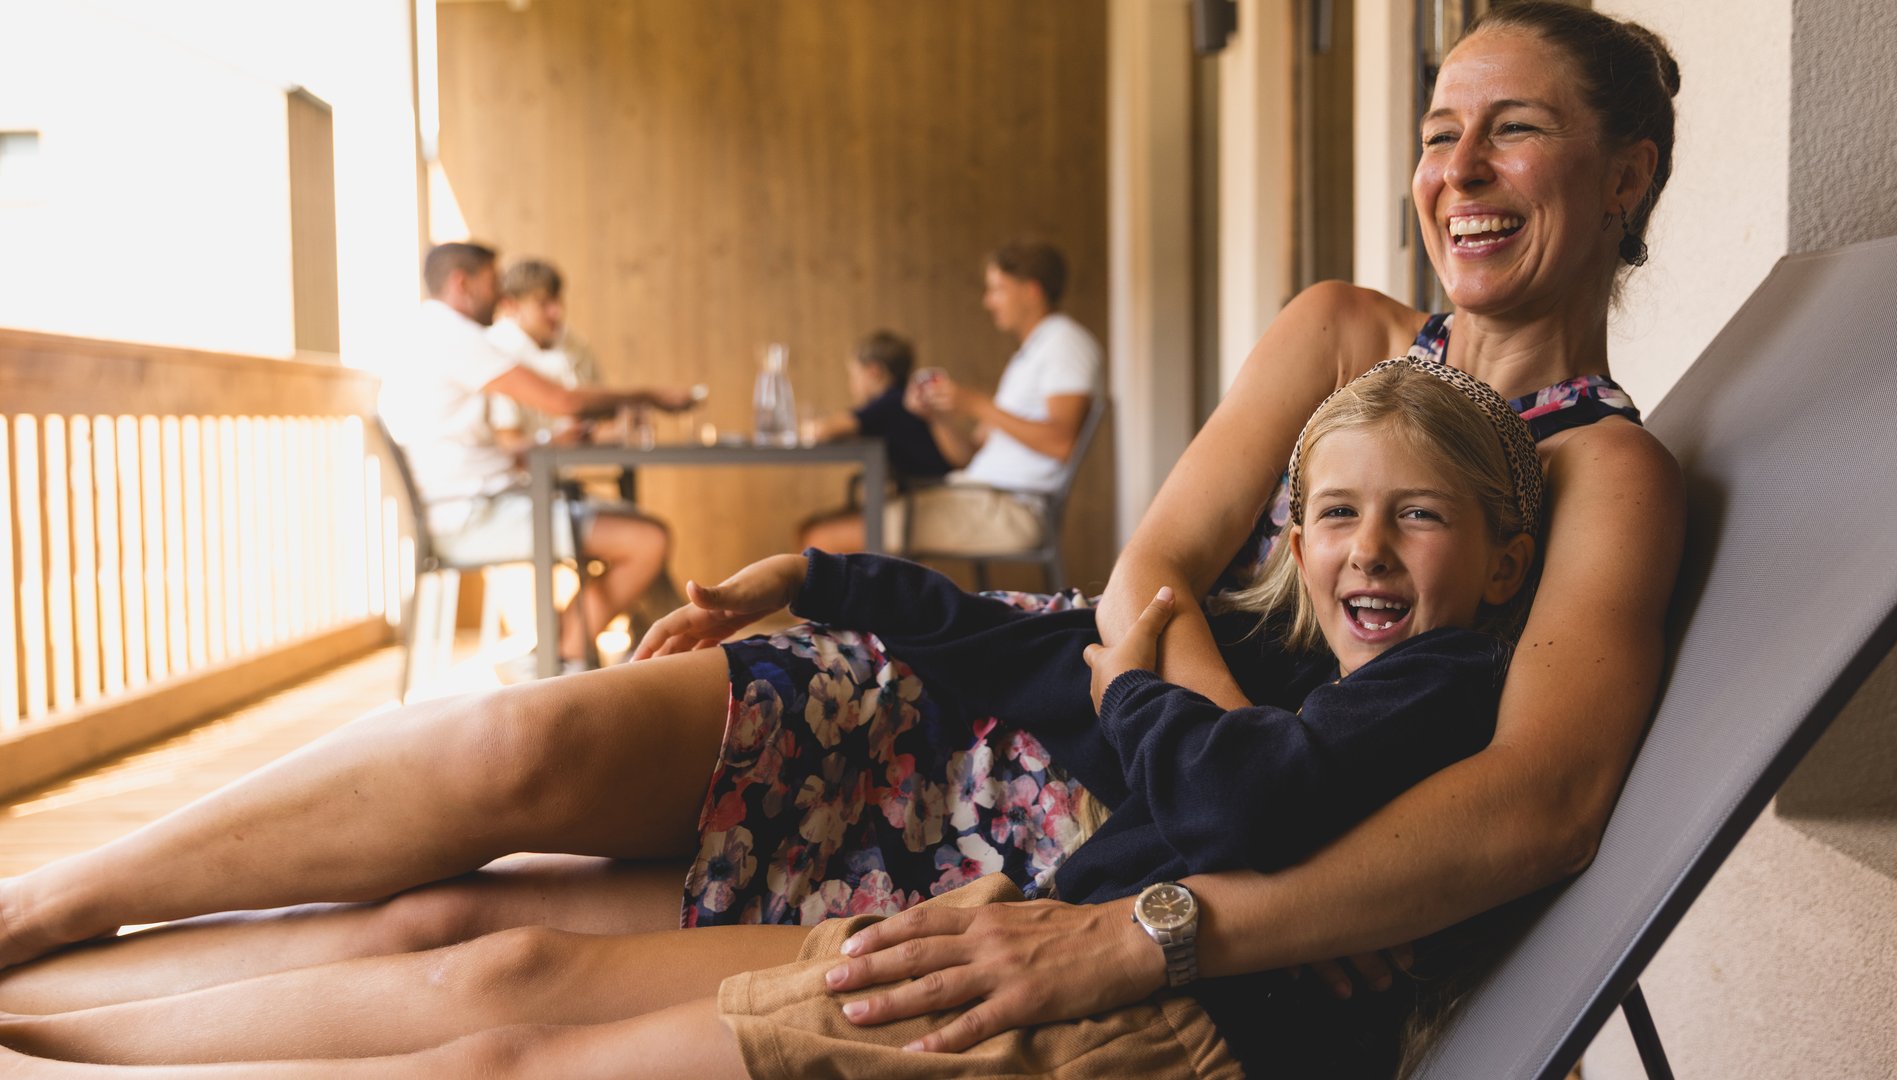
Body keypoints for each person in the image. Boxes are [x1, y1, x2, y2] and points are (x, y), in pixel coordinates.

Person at [0, 4, 1685, 1076]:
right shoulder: (1344, 331)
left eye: (1514, 128)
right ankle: (41, 905)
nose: (1460, 168)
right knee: (519, 737)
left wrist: (1175, 816)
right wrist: (1210, 732)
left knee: (486, 947)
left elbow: (1536, 802)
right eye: (1438, 131)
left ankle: (50, 1027)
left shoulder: (1599, 475)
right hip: (986, 712)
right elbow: (1135, 580)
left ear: (1626, 176)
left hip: (1059, 869)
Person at [0, 357, 1542, 1076]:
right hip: (1018, 817)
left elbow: (1221, 766)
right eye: (1330, 515)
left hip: (1048, 908)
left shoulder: (1448, 654)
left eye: (1413, 518)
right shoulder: (1339, 469)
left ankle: (53, 1026)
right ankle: (42, 936)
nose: (1363, 549)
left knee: (495, 960)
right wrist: (820, 575)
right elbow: (1085, 617)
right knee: (502, 820)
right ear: (1296, 524)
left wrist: (1146, 666)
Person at [380, 242, 694, 669]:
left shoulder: (425, 332)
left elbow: (479, 445)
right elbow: (562, 400)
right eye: (493, 282)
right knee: (648, 541)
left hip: (475, 504)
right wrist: (651, 395)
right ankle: (559, 658)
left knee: (638, 531)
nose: (500, 296)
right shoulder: (454, 336)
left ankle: (639, 654)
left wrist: (547, 446)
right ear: (461, 283)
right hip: (471, 516)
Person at [800, 241, 1102, 557]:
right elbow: (966, 457)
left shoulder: (1065, 343)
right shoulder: (1028, 356)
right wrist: (939, 417)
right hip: (977, 495)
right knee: (818, 528)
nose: (988, 301)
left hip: (1008, 510)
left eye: (998, 289)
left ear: (1031, 291)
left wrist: (978, 405)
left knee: (820, 538)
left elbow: (1061, 443)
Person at [795, 330, 952, 546]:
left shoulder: (891, 403)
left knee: (815, 535)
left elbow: (824, 431)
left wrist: (809, 426)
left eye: (853, 375)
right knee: (811, 527)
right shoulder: (903, 399)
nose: (852, 384)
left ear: (874, 372)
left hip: (927, 502)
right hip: (923, 496)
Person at [484, 258, 603, 447]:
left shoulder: (574, 345)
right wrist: (552, 440)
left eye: (558, 300)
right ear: (510, 305)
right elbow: (507, 441)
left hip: (560, 469)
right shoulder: (494, 350)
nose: (556, 312)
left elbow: (602, 421)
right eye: (543, 303)